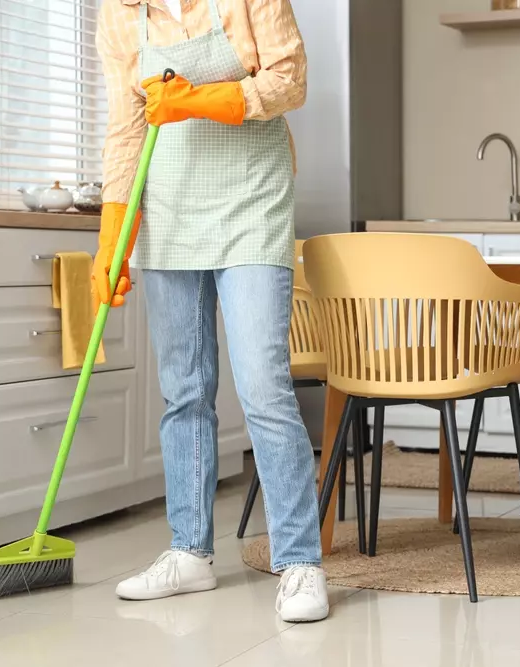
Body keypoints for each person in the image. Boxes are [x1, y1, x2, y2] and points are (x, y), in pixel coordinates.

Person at [95, 0, 328, 623]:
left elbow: (290, 80)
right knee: (185, 392)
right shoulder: (120, 14)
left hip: (251, 199)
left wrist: (199, 101)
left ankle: (300, 560)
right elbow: (126, 129)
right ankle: (190, 553)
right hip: (167, 209)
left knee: (263, 386)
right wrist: (110, 237)